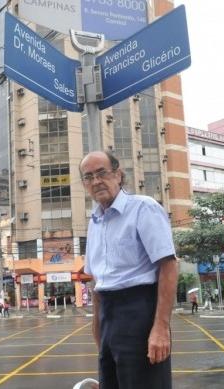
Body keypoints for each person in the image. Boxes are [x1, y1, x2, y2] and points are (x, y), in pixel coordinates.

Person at [81, 151, 178, 389]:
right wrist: (99, 332)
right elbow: (96, 281)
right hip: (108, 317)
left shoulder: (143, 208)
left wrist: (161, 328)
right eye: (89, 176)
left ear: (118, 175)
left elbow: (168, 265)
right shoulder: (94, 222)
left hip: (139, 313)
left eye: (102, 173)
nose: (96, 181)